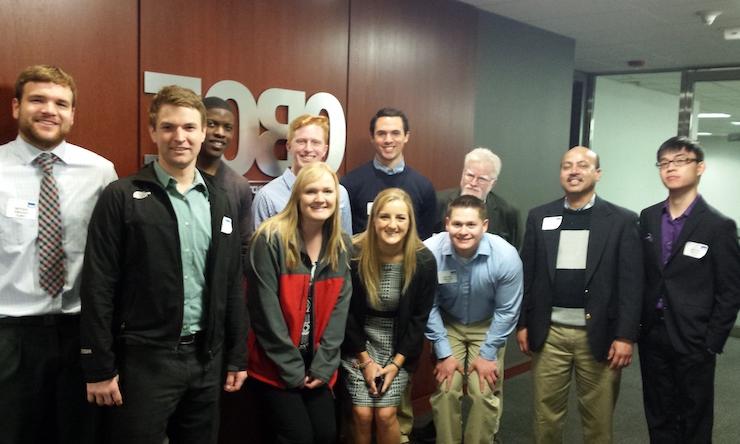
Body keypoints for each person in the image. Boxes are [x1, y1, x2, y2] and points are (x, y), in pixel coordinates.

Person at [79, 85, 247, 444]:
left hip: (206, 360)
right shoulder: (122, 197)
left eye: (189, 128)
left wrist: (237, 355)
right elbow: (98, 285)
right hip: (143, 362)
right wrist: (99, 365)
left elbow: (231, 283)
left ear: (203, 132)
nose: (179, 137)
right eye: (169, 127)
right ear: (153, 132)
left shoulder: (221, 201)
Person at [0, 64, 117, 444]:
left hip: (78, 332)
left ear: (72, 114)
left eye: (61, 103)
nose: (50, 110)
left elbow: (113, 258)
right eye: (38, 100)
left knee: (78, 434)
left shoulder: (100, 172)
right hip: (10, 336)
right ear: (16, 107)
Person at [517, 146, 643, 444]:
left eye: (582, 165)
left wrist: (625, 336)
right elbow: (528, 275)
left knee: (597, 421)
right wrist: (523, 323)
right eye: (566, 166)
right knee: (545, 416)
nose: (573, 171)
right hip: (549, 334)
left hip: (599, 335)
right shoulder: (539, 217)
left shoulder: (621, 221)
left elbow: (631, 284)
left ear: (597, 174)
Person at [638, 136, 740, 443]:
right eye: (665, 162)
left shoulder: (718, 226)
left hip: (694, 338)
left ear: (700, 168)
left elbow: (730, 290)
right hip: (652, 333)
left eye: (681, 161)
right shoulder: (648, 217)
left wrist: (712, 341)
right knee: (658, 413)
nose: (671, 168)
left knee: (694, 416)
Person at [246, 162, 352, 444]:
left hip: (317, 363)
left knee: (327, 433)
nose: (320, 198)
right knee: (298, 436)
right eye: (311, 191)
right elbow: (264, 312)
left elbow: (340, 310)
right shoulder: (270, 239)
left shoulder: (340, 244)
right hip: (275, 365)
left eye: (327, 191)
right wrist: (292, 370)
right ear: (297, 197)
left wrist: (324, 365)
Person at [424, 195, 523, 444]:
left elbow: (506, 311)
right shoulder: (429, 252)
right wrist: (444, 353)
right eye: (457, 224)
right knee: (446, 390)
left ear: (485, 225)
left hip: (488, 324)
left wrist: (488, 354)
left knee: (482, 391)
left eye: (471, 224)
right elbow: (428, 305)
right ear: (447, 223)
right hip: (448, 324)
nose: (463, 231)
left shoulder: (506, 256)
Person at [341, 188, 436, 444]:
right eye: (385, 217)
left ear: (410, 222)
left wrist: (395, 365)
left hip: (399, 346)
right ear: (373, 220)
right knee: (361, 413)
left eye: (400, 218)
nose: (392, 225)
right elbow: (346, 313)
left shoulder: (423, 260)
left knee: (385, 414)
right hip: (358, 343)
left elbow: (418, 320)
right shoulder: (353, 254)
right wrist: (365, 361)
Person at [341, 107, 436, 239]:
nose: (388, 140)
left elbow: (425, 241)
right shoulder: (350, 184)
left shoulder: (424, 187)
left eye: (395, 133)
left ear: (406, 136)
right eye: (381, 133)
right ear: (372, 138)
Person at [251, 114, 352, 233]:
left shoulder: (340, 194)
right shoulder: (267, 197)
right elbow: (258, 248)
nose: (308, 149)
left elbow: (344, 245)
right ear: (289, 147)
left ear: (325, 150)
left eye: (315, 142)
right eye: (301, 142)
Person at [197, 96, 253, 260]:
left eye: (227, 127)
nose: (220, 133)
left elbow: (244, 246)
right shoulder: (181, 178)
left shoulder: (238, 186)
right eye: (212, 124)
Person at [435, 147, 520, 248]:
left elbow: (514, 248)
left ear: (493, 184)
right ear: (462, 174)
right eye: (470, 175)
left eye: (481, 179)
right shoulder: (438, 202)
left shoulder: (507, 212)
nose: (473, 183)